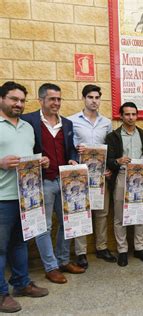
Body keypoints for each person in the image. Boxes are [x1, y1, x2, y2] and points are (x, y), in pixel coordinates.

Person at [22, 83, 85, 284]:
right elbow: (23, 148)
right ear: (41, 100)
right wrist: (35, 159)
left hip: (65, 180)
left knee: (68, 221)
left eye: (59, 99)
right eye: (52, 99)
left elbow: (70, 150)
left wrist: (73, 158)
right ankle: (50, 267)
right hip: (42, 182)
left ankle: (63, 260)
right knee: (44, 226)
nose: (56, 103)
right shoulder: (28, 121)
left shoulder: (66, 124)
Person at [0, 81, 49, 312]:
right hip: (2, 198)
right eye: (13, 99)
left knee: (20, 243)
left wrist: (41, 161)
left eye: (21, 100)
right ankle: (1, 294)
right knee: (0, 248)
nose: (18, 104)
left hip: (26, 197)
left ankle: (21, 283)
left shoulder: (28, 127)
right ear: (2, 99)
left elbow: (28, 158)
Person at [68, 84, 116, 269]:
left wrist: (109, 168)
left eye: (97, 97)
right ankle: (81, 253)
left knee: (101, 213)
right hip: (79, 175)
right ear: (84, 98)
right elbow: (67, 147)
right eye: (90, 97)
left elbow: (110, 149)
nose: (94, 101)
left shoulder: (106, 122)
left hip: (100, 176)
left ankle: (102, 247)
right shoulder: (72, 121)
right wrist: (75, 150)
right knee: (81, 212)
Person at [105, 102, 143, 267]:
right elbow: (107, 160)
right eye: (127, 114)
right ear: (121, 116)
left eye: (133, 114)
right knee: (119, 216)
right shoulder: (113, 136)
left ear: (137, 115)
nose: (131, 117)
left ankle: (139, 248)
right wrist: (117, 161)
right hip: (122, 176)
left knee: (140, 214)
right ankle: (122, 250)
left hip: (141, 177)